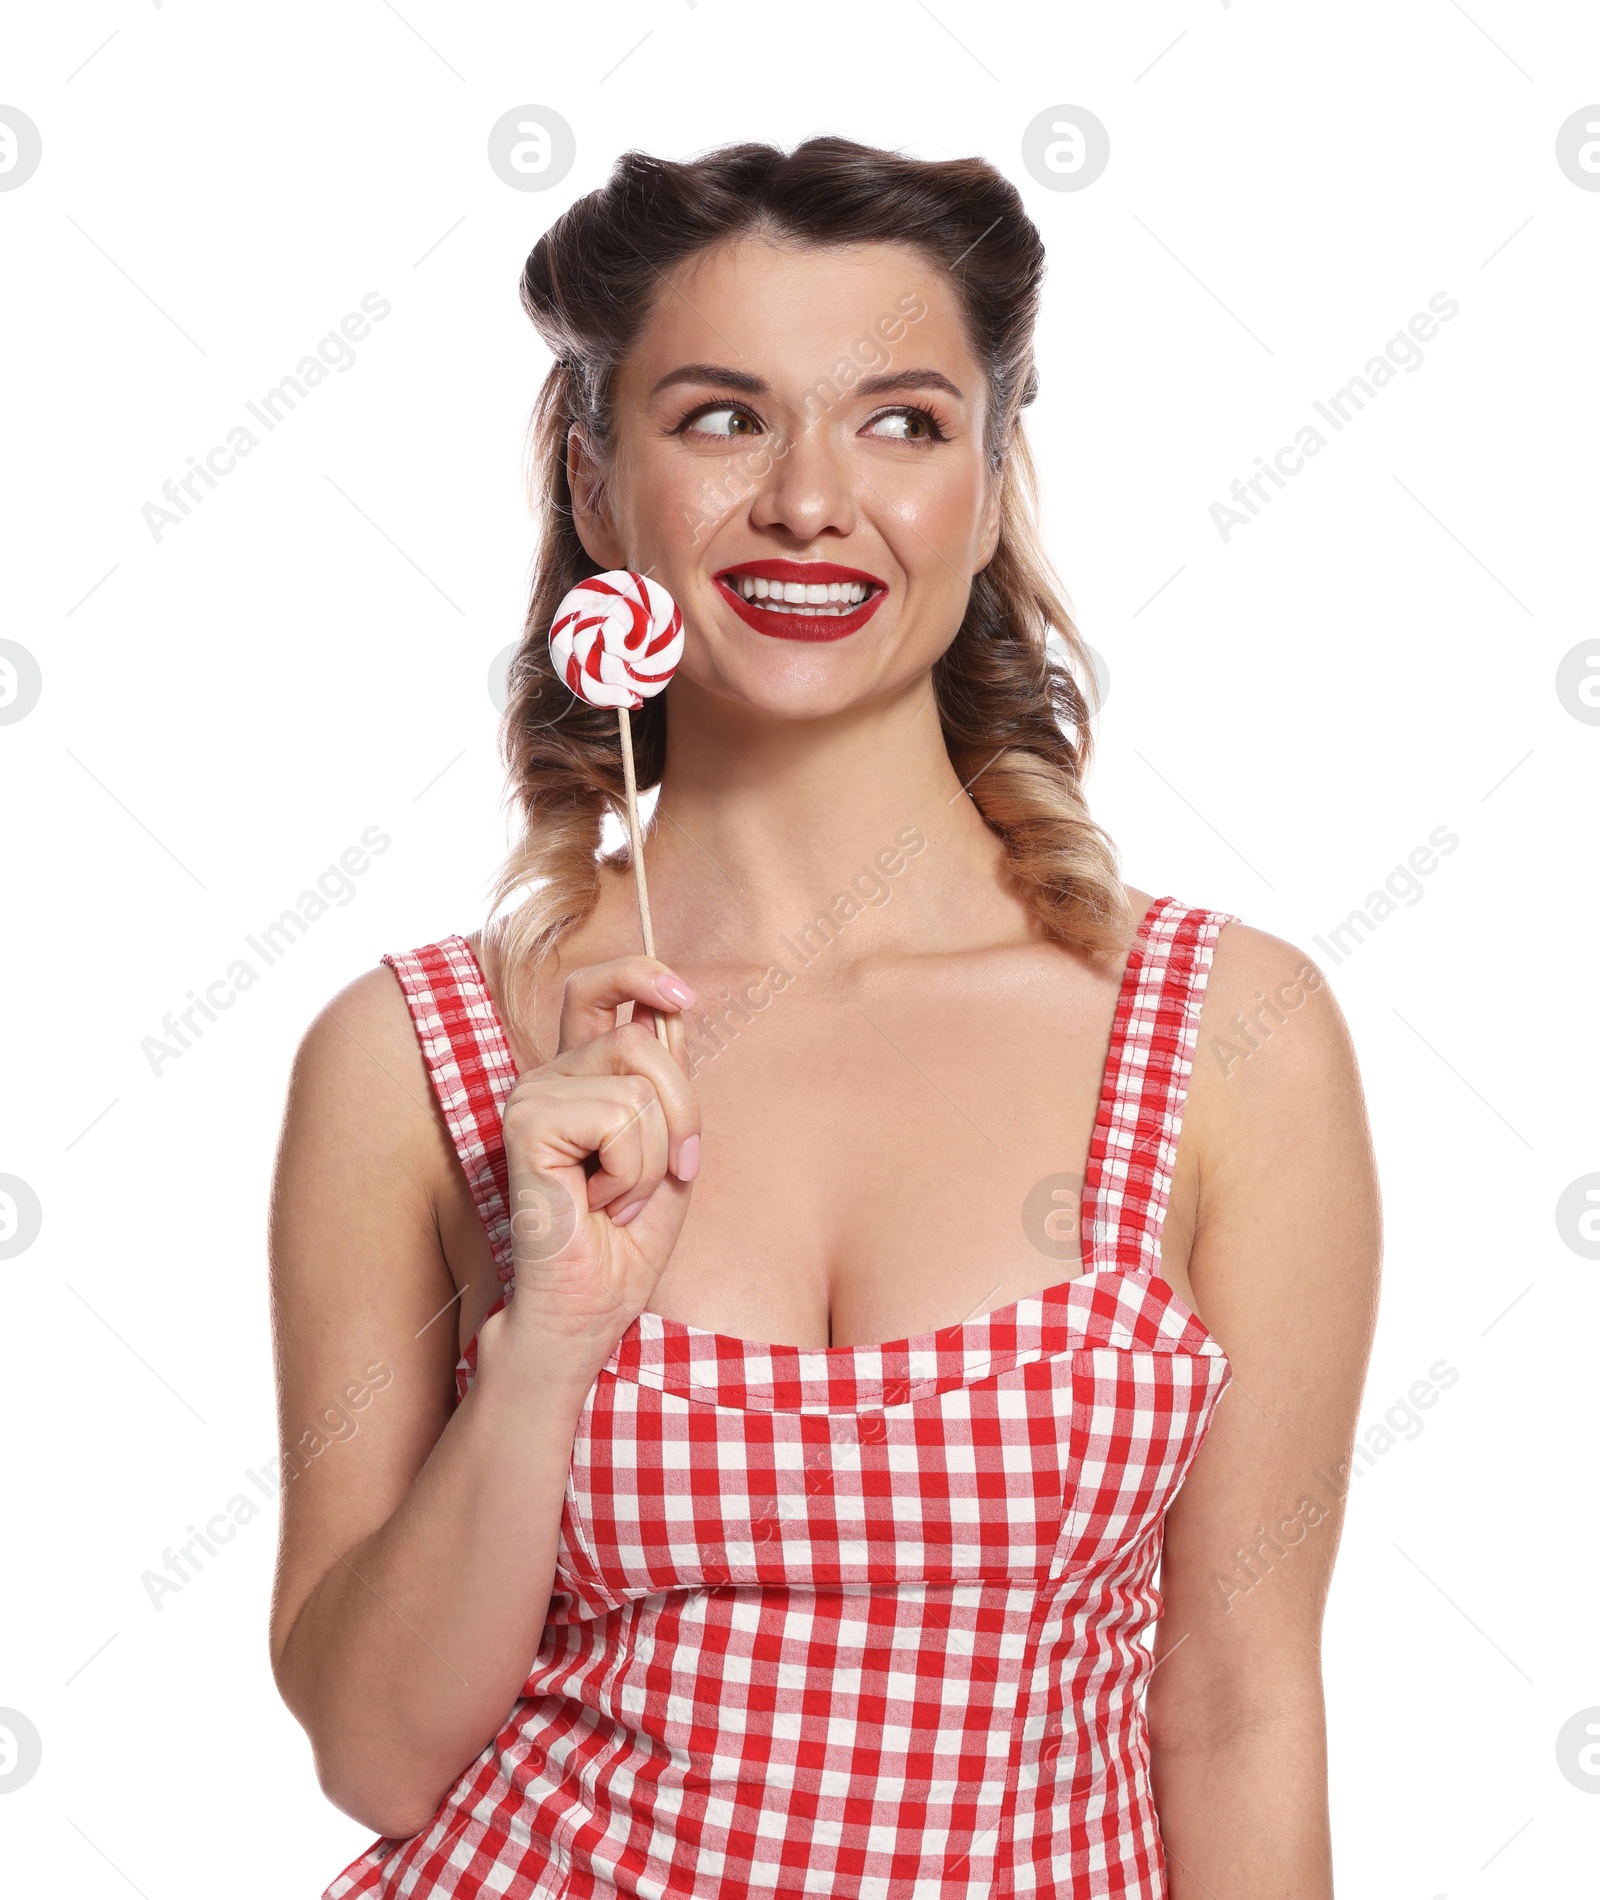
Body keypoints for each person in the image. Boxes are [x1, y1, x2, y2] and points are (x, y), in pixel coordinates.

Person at [268, 136, 1381, 1900]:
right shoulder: (412, 1058)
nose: (807, 500)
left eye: (902, 422)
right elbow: (374, 1754)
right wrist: (548, 1344)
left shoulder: (1230, 1036)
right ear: (592, 472)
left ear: (992, 476)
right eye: (720, 417)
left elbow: (1240, 1706)